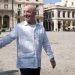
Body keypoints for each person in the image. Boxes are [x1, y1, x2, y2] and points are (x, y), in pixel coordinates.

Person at [0, 5, 56, 75]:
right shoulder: (19, 27)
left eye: (28, 12)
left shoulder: (41, 28)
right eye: (24, 12)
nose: (25, 14)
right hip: (25, 63)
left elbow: (46, 43)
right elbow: (8, 38)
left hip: (37, 63)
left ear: (35, 13)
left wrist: (51, 57)